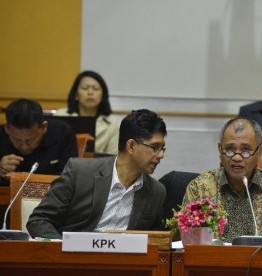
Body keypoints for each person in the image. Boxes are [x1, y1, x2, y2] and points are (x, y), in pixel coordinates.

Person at [27, 109, 167, 239]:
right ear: (131, 146)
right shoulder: (80, 172)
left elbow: (154, 241)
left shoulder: (156, 192)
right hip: (75, 259)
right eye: (155, 147)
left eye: (162, 148)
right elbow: (39, 220)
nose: (161, 155)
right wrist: (63, 250)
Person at [182, 117, 262, 244]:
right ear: (220, 150)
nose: (237, 157)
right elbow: (189, 242)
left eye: (246, 150)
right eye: (230, 150)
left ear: (259, 151)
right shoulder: (199, 188)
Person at [0, 98, 78, 175]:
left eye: (30, 140)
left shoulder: (62, 133)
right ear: (7, 128)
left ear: (44, 127)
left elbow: (69, 177)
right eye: (17, 140)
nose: (24, 147)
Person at [55, 70, 119, 154]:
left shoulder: (111, 123)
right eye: (85, 88)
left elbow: (113, 157)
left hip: (98, 166)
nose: (90, 92)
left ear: (102, 95)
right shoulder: (60, 116)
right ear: (76, 95)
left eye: (96, 89)